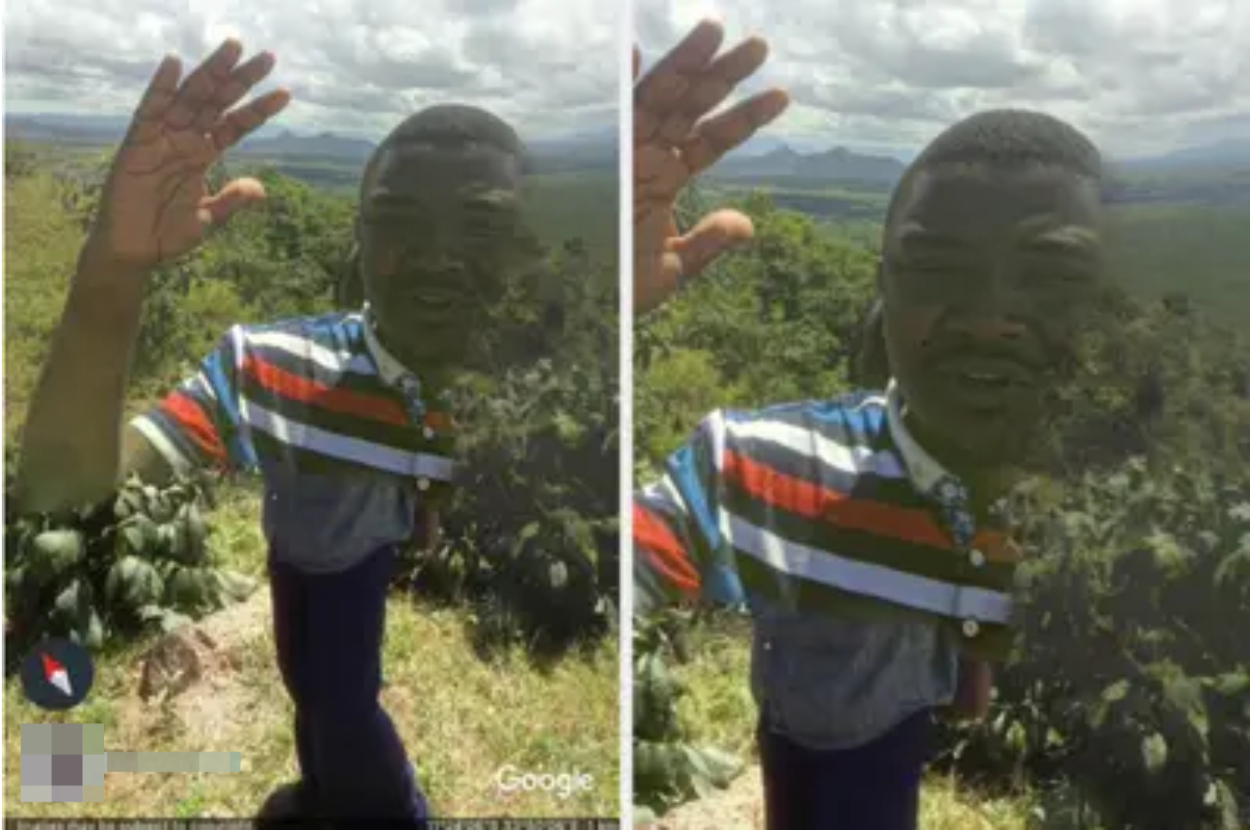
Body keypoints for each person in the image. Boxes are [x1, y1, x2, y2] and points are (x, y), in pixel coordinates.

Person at [15, 38, 534, 824]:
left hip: (348, 565)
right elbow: (66, 486)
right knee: (312, 682)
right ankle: (321, 793)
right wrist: (113, 267)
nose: (436, 256)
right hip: (301, 555)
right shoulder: (274, 369)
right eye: (398, 222)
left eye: (481, 227)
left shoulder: (534, 404)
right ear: (357, 245)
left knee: (341, 698)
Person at [633, 20, 1104, 830]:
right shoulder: (760, 472)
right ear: (881, 290)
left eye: (1051, 274)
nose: (991, 317)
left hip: (898, 715)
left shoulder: (1113, 516)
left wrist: (970, 684)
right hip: (805, 715)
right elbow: (617, 568)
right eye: (938, 266)